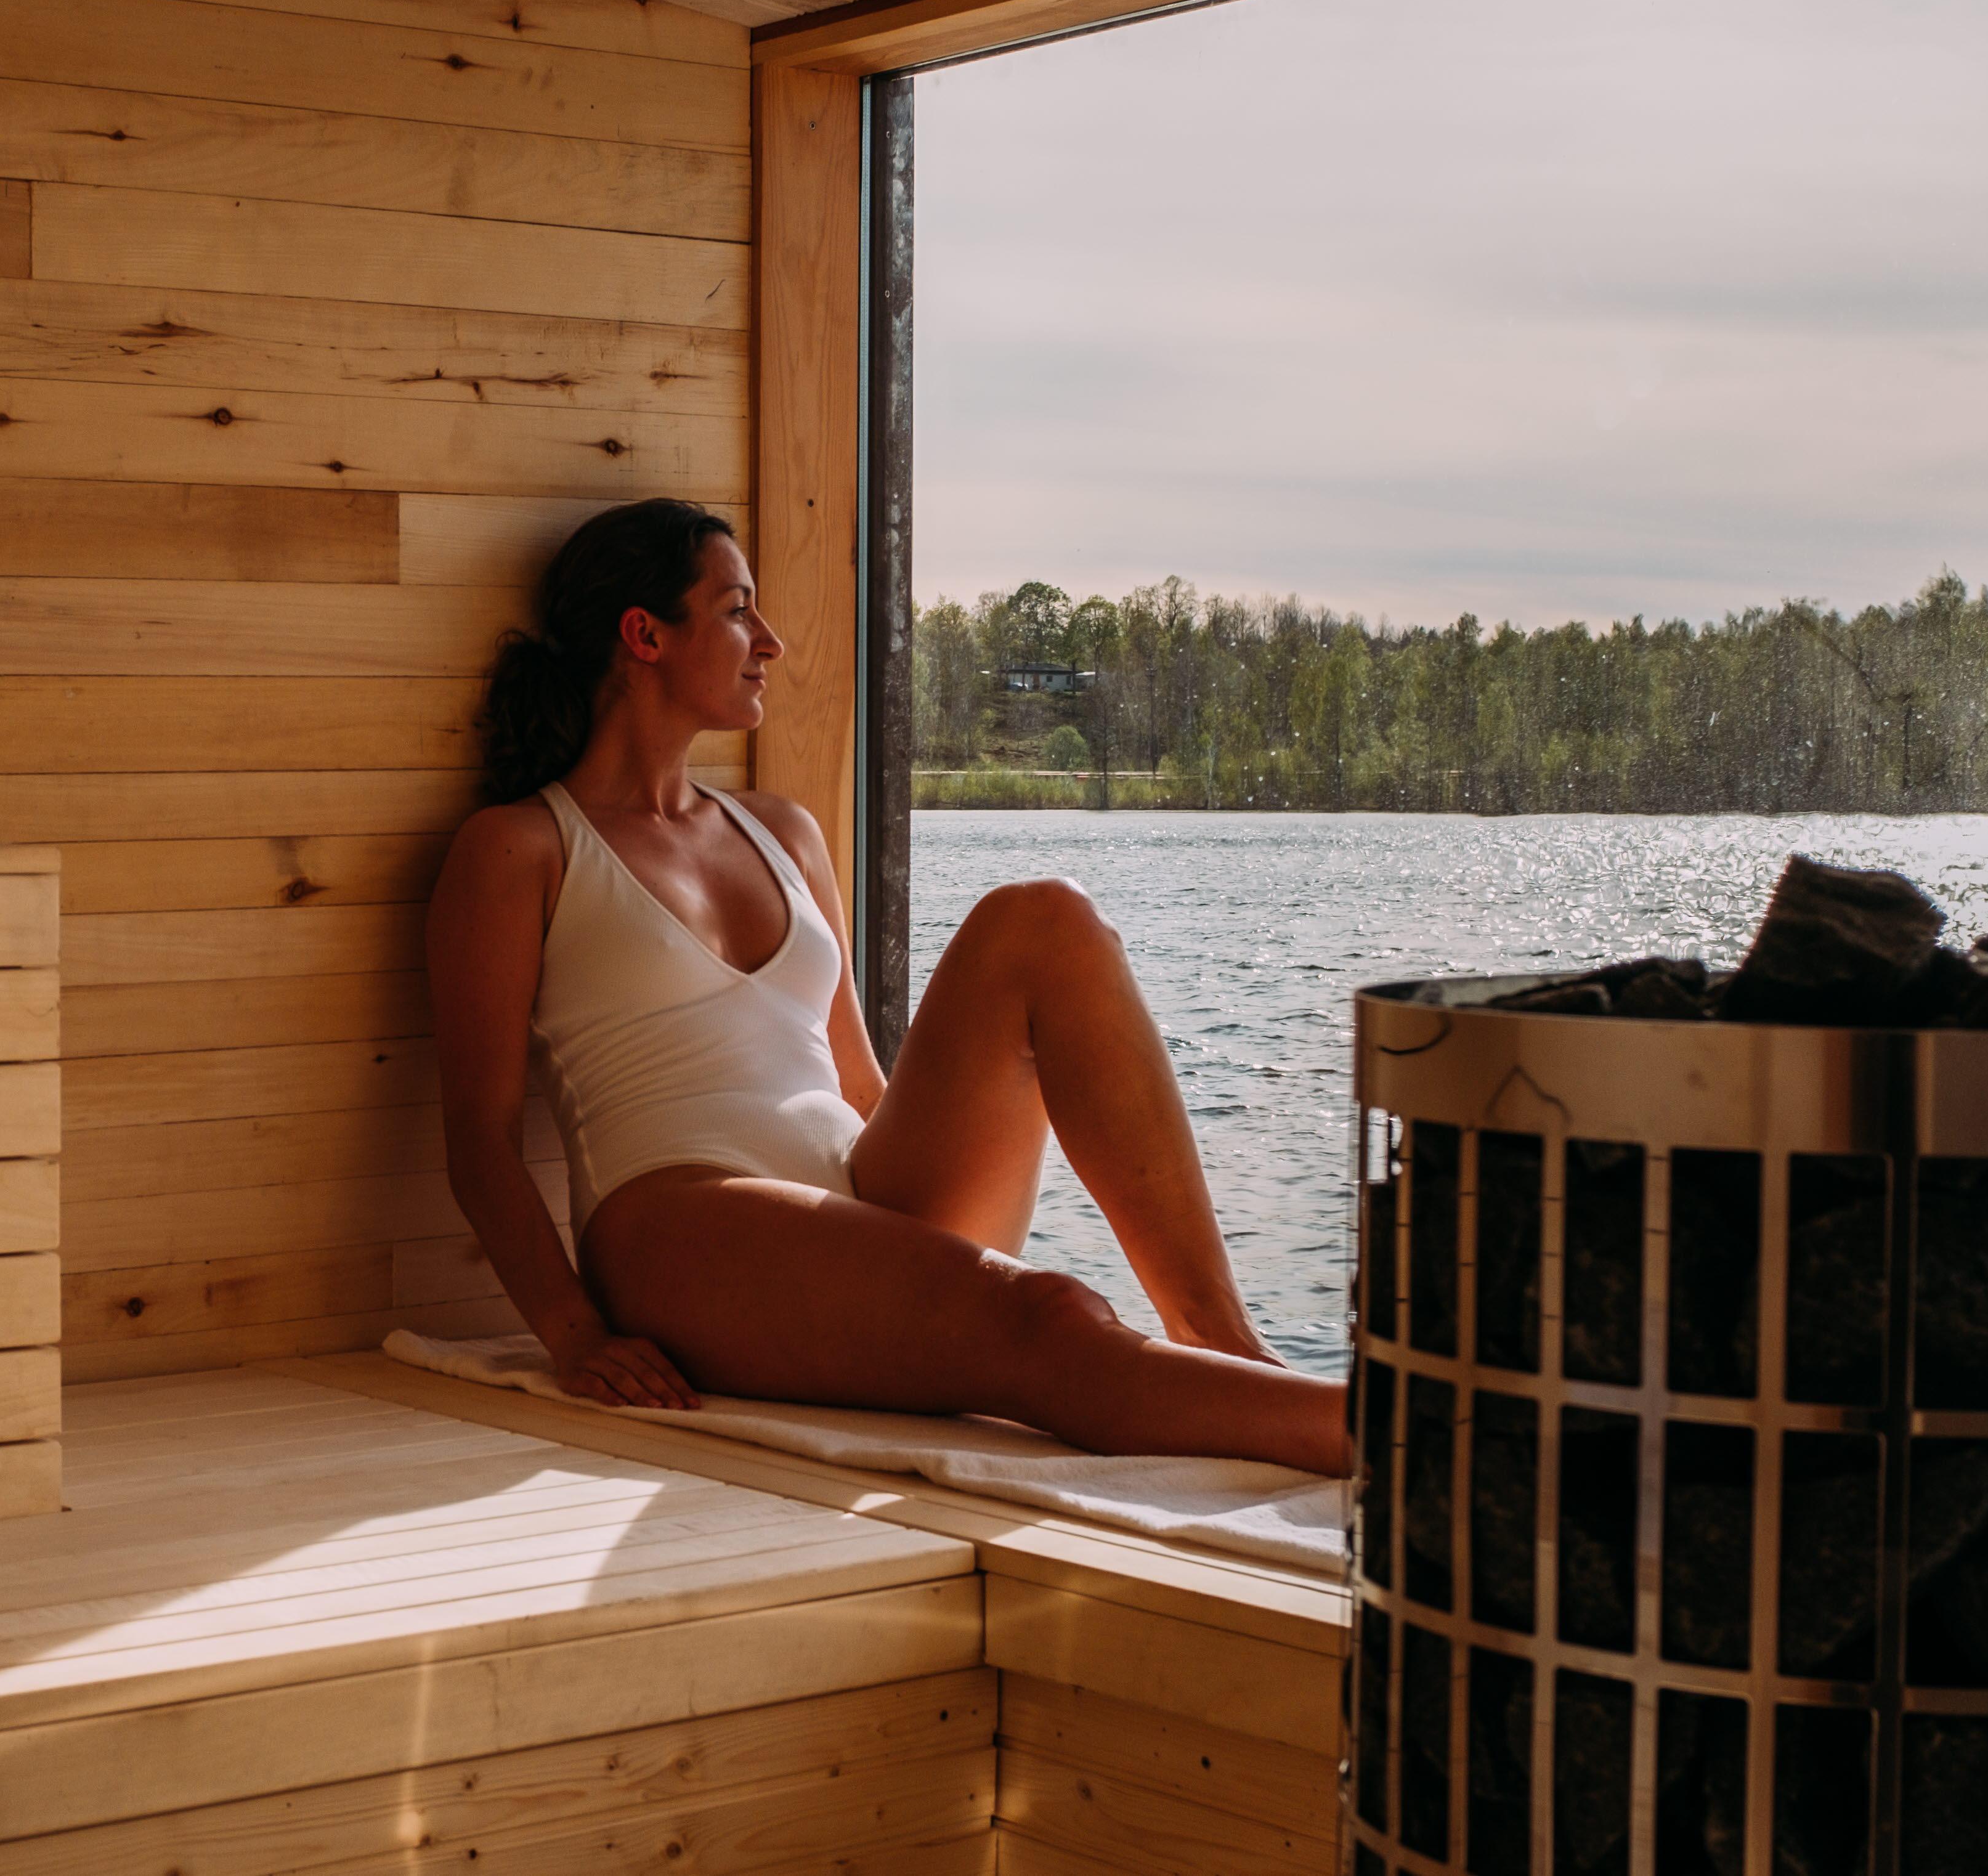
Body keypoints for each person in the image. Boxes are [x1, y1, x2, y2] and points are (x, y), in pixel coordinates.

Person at [427, 498, 1349, 1476]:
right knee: (1051, 1313)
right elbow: (478, 1137)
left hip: (854, 1196)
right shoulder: (522, 847)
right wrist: (574, 1334)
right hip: (677, 1225)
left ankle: (1221, 1340)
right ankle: (1415, 1441)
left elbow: (860, 1083)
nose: (770, 642)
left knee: (1047, 916)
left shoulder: (780, 832)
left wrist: (921, 1218)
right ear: (645, 635)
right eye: (738, 610)